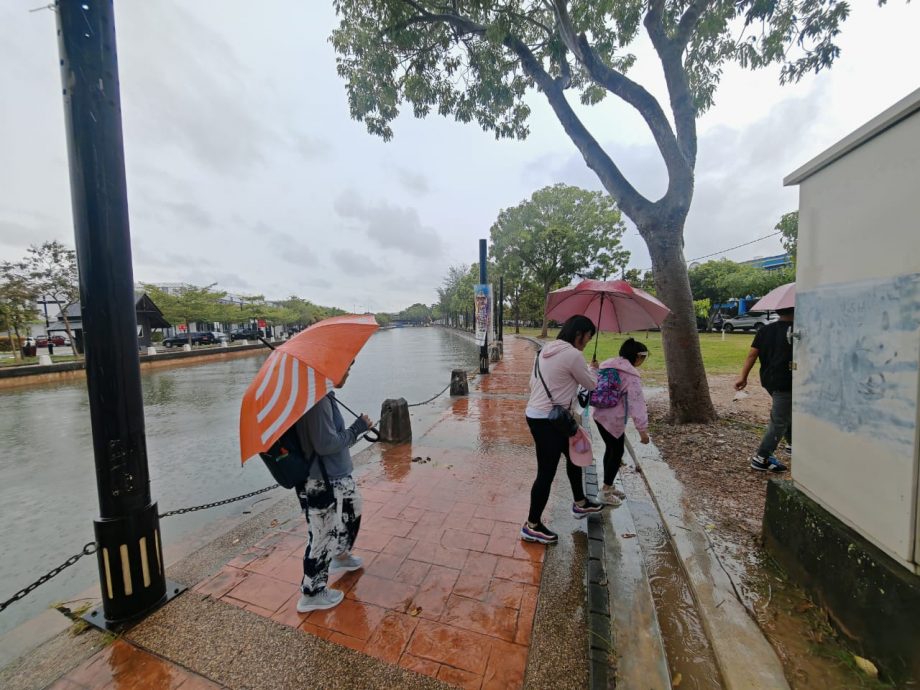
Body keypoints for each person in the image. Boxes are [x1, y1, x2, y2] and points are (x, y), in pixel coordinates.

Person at [294, 361, 373, 612]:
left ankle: (340, 555)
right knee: (322, 534)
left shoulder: (325, 395)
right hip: (321, 480)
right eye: (345, 368)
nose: (348, 372)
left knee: (352, 512)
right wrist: (357, 429)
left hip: (337, 474)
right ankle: (312, 593)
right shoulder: (315, 402)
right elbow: (326, 444)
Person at [522, 315, 603, 545]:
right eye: (588, 337)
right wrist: (593, 370)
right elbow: (591, 385)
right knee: (546, 473)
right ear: (579, 334)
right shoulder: (573, 355)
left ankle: (580, 502)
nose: (587, 342)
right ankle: (532, 526)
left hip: (539, 415)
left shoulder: (544, 352)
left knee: (573, 454)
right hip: (550, 421)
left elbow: (532, 383)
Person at [734, 307, 794, 472]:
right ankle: (762, 457)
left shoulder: (765, 330)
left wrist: (743, 377)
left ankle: (793, 443)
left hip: (769, 380)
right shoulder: (796, 331)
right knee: (779, 420)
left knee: (786, 412)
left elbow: (752, 355)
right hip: (786, 381)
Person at [592, 338, 651, 506]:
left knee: (611, 450)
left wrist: (593, 368)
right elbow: (636, 403)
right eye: (643, 358)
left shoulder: (607, 365)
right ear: (637, 357)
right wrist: (642, 430)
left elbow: (594, 381)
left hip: (599, 416)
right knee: (616, 453)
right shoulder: (631, 375)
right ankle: (604, 492)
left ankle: (608, 486)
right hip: (614, 419)